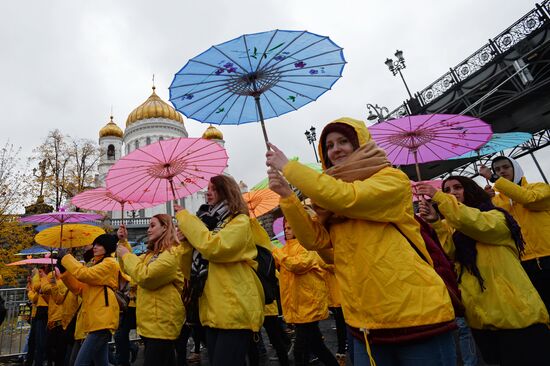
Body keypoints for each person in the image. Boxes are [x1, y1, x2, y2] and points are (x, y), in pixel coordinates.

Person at [266, 117, 456, 366]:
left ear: (361, 144)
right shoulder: (327, 198)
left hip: (416, 314)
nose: (336, 149)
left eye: (344, 141)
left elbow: (348, 199)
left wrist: (290, 168)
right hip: (364, 320)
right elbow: (315, 240)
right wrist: (288, 197)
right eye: (329, 146)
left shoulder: (391, 179)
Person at [416, 175, 550, 365]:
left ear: (471, 190)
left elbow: (475, 223)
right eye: (446, 190)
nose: (452, 193)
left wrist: (439, 197)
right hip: (480, 318)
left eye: (457, 188)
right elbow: (450, 254)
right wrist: (437, 223)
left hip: (516, 315)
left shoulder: (497, 216)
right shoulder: (453, 226)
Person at [174, 175, 264, 366]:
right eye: (208, 188)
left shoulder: (240, 221)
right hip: (212, 311)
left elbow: (215, 248)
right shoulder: (205, 225)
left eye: (213, 189)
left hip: (234, 309)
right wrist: (185, 244)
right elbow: (187, 270)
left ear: (226, 191)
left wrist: (185, 219)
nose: (208, 192)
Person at [117, 214, 189, 366]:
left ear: (165, 228)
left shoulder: (172, 253)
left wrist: (126, 255)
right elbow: (129, 269)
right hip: (151, 324)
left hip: (162, 324)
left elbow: (146, 277)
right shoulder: (152, 255)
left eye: (152, 225)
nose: (148, 230)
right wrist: (124, 242)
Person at [479, 156, 550, 311]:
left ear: (515, 168)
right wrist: (486, 202)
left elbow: (528, 199)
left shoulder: (539, 187)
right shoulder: (496, 201)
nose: (501, 171)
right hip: (523, 263)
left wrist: (493, 177)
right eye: (497, 169)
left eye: (505, 167)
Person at [273, 218, 337, 366]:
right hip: (298, 306)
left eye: (290, 228)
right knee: (318, 347)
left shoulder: (308, 246)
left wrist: (278, 254)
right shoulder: (284, 249)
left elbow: (298, 265)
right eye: (285, 228)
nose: (286, 231)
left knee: (299, 352)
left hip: (309, 306)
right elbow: (281, 270)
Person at [58, 234, 121, 366]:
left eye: (99, 244)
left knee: (80, 363)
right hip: (96, 320)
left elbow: (84, 274)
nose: (95, 247)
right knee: (102, 363)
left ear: (107, 247)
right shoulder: (95, 264)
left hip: (102, 321)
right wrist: (65, 271)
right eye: (95, 244)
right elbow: (79, 289)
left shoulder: (109, 264)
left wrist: (66, 258)